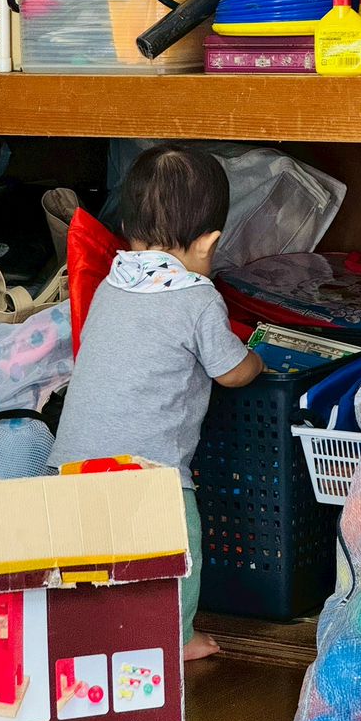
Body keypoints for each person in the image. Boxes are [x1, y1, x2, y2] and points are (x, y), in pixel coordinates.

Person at [50, 145, 264, 660]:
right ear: (209, 242)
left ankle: (86, 633)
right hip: (149, 468)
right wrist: (257, 360)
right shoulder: (198, 298)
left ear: (129, 227)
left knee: (89, 556)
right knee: (178, 551)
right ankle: (177, 638)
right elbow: (230, 371)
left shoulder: (109, 283)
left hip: (71, 460)